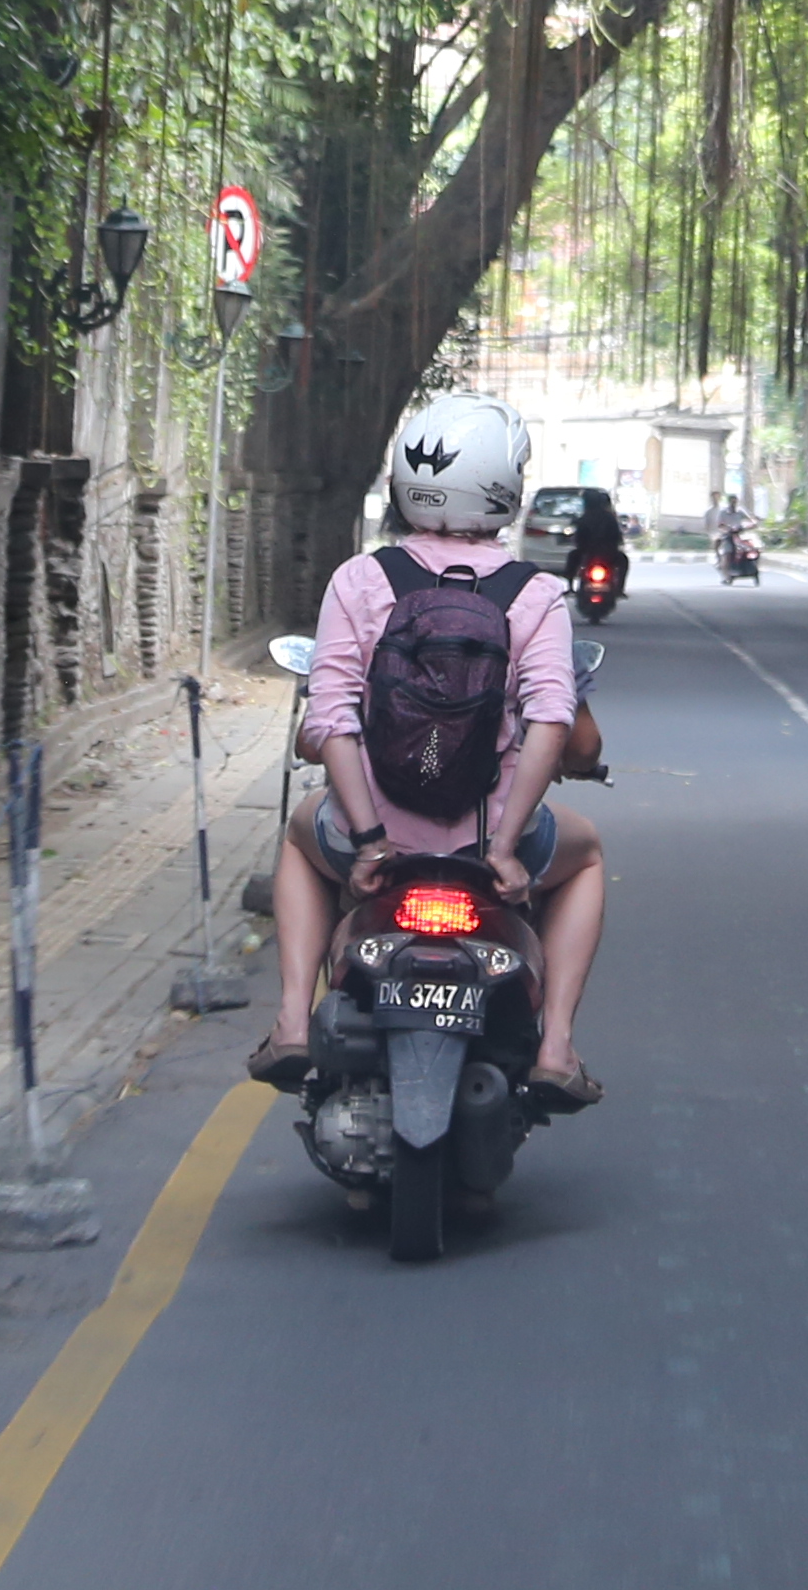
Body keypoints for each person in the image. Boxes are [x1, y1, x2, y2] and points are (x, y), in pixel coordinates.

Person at [256, 390, 613, 1107]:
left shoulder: (360, 580)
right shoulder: (533, 594)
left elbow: (330, 720)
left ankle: (293, 1021)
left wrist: (368, 843)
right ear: (505, 484)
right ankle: (557, 1046)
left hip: (380, 839)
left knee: (298, 837)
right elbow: (550, 718)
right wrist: (507, 846)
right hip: (488, 843)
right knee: (588, 856)